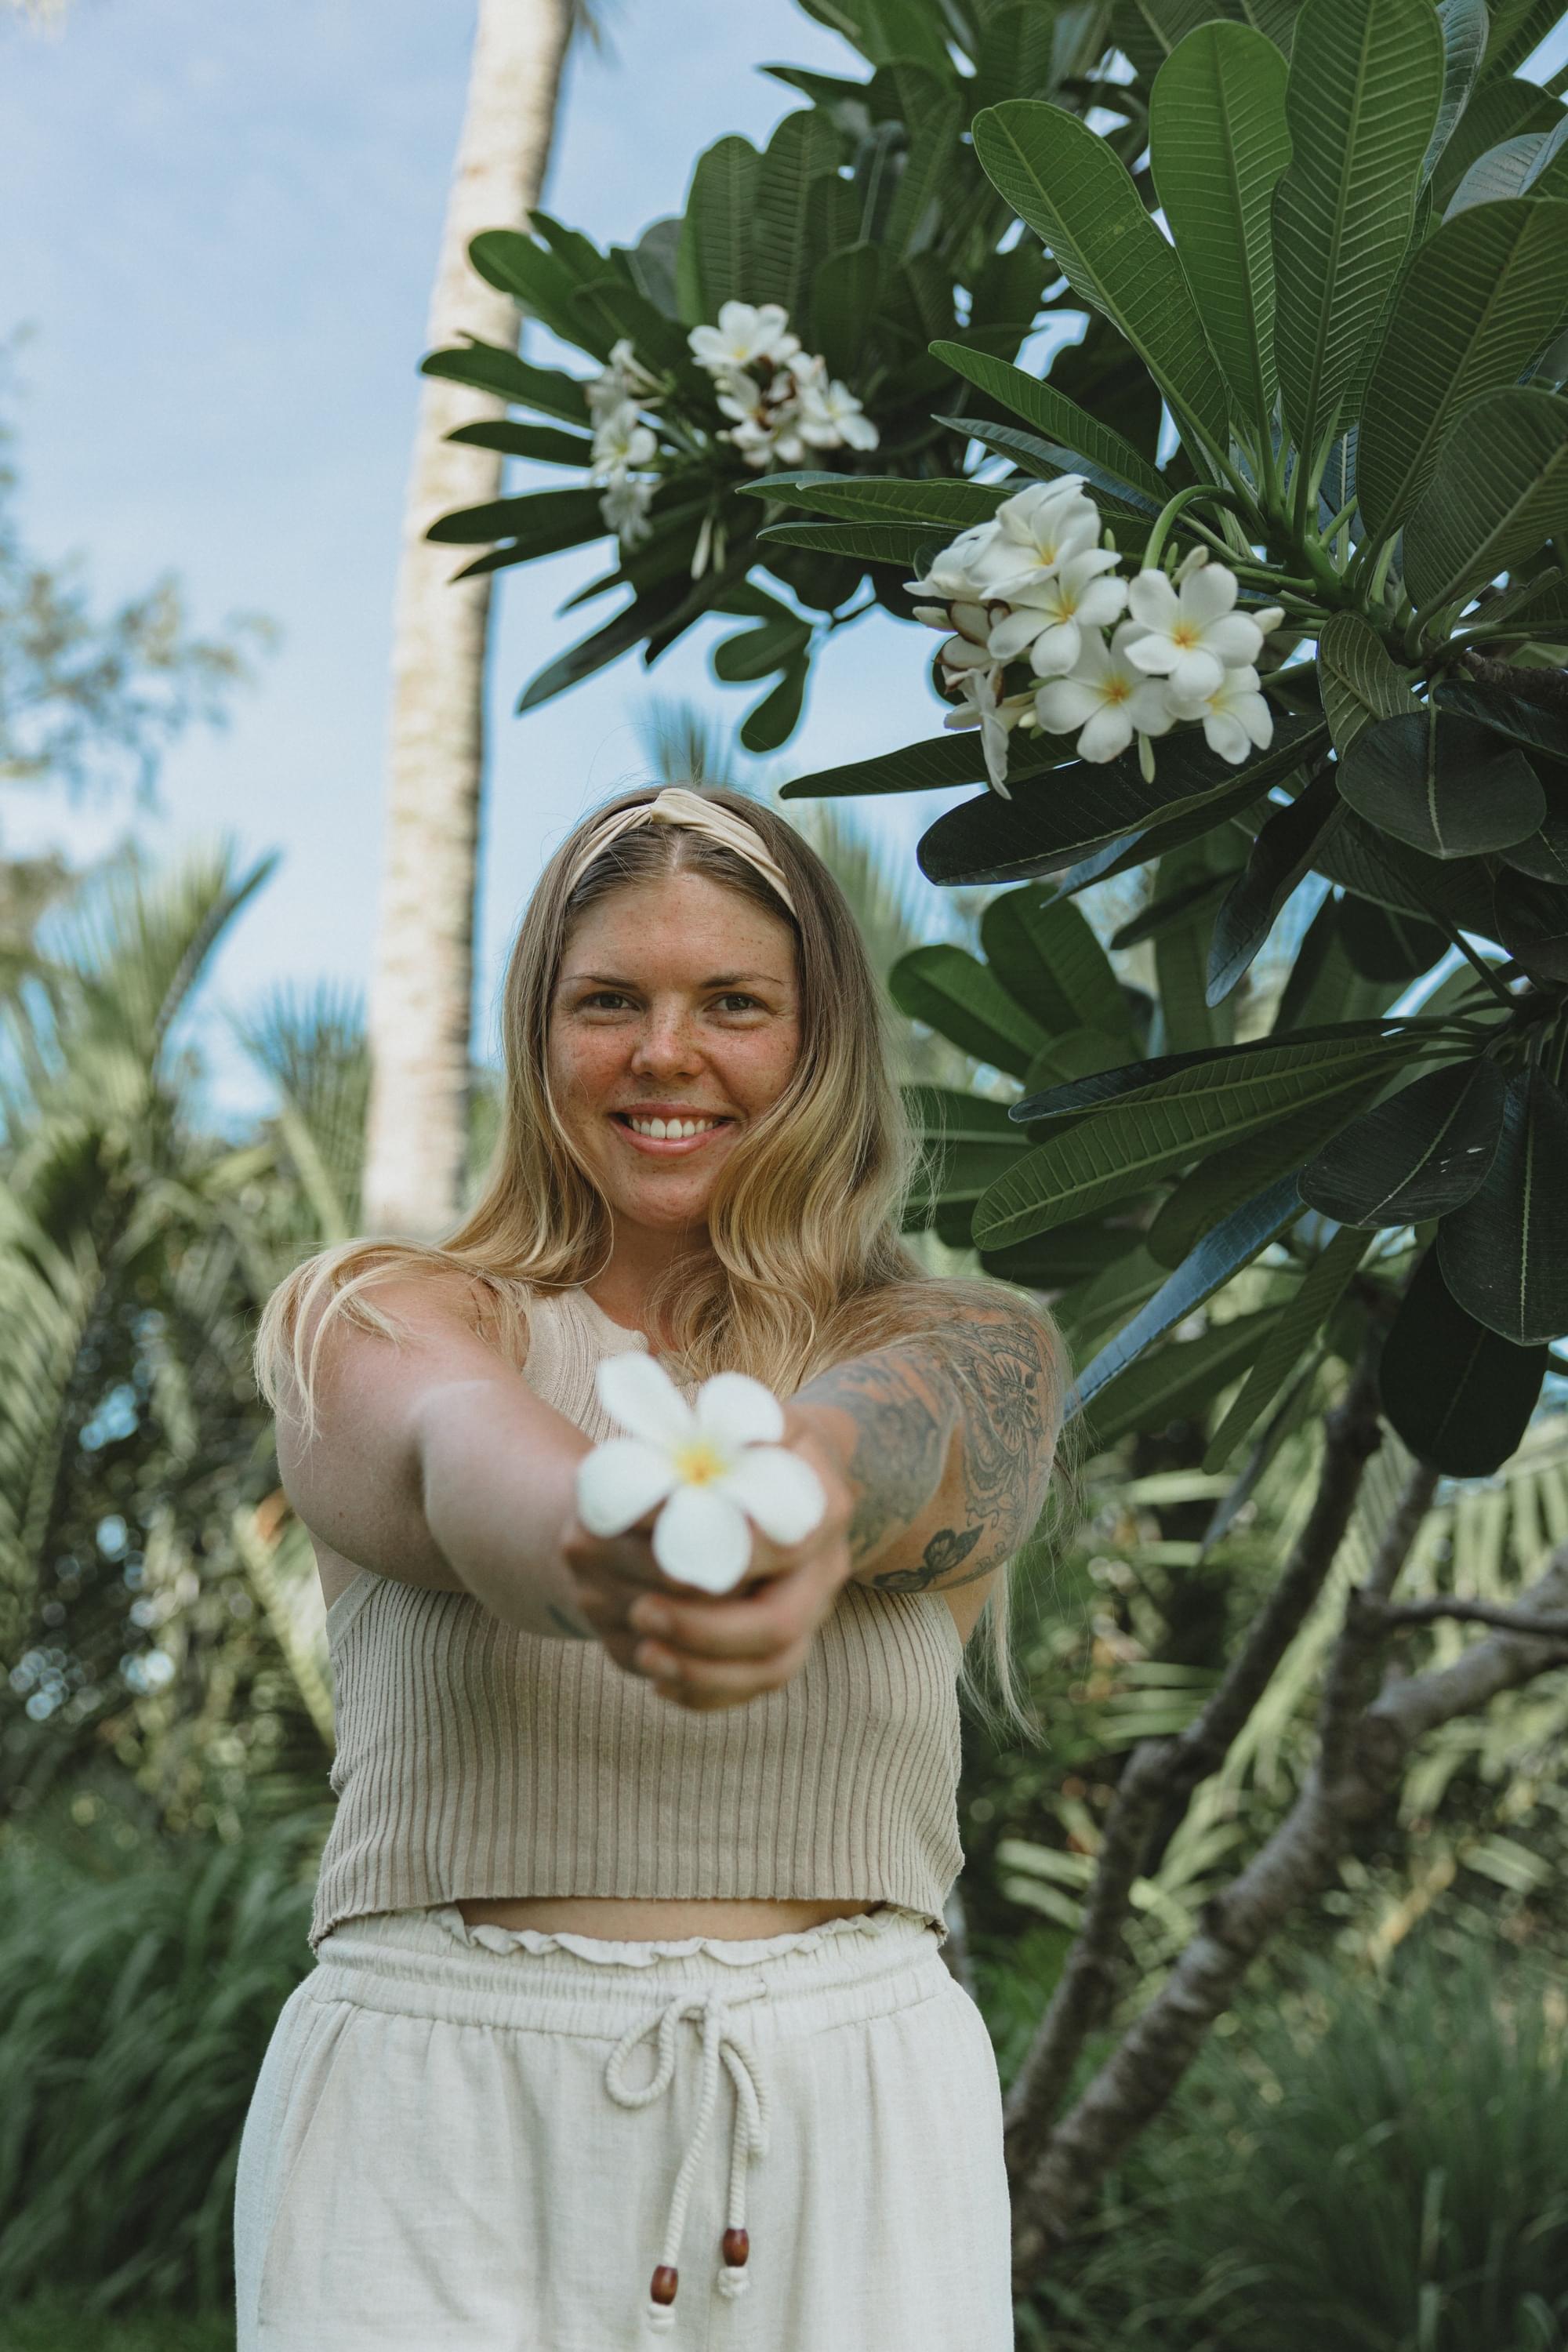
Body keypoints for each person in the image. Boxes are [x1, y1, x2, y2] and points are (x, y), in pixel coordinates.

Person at [235, 782, 1066, 2350]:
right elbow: (461, 1449)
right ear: (537, 1031)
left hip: (850, 2115)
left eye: (735, 1004)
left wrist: (791, 1510)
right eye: (608, 1000)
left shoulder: (968, 1346)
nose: (666, 1053)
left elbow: (893, 1439)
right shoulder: (376, 1315)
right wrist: (615, 1555)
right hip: (435, 2113)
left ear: (822, 1043)